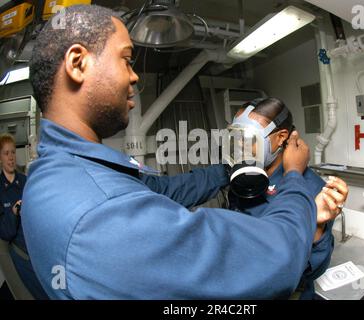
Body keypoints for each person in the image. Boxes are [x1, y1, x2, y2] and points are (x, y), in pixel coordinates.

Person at [24, 4, 328, 299]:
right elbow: (272, 259)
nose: (135, 76)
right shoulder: (101, 214)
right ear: (78, 63)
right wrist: (293, 176)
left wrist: (229, 170)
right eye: (127, 60)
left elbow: (163, 189)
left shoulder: (56, 172)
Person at [226, 98, 348, 299]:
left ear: (281, 137)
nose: (240, 146)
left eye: (248, 138)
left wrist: (317, 227)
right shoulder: (244, 175)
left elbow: (311, 270)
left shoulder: (312, 189)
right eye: (237, 137)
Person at [0, 133, 49, 299]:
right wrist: (14, 213)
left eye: (13, 152)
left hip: (35, 245)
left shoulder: (26, 180)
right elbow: (5, 232)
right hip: (19, 250)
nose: (11, 157)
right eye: (6, 153)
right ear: (0, 158)